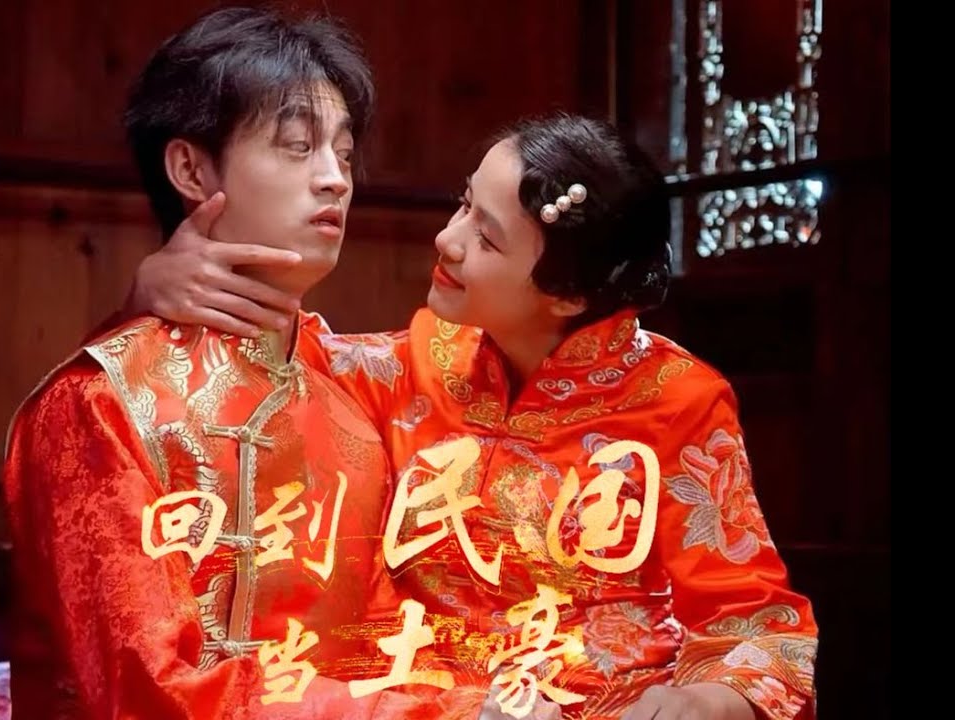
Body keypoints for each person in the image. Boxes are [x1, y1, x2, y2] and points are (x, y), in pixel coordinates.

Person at [123, 113, 821, 720]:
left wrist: (713, 699)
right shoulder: (421, 360)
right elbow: (274, 359)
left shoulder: (677, 399)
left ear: (569, 297)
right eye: (463, 206)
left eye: (486, 238)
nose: (448, 241)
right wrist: (152, 292)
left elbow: (754, 618)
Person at [2, 6, 500, 719]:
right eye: (297, 146)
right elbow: (146, 687)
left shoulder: (351, 391)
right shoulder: (100, 404)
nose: (335, 180)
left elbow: (388, 643)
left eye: (344, 154)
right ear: (190, 169)